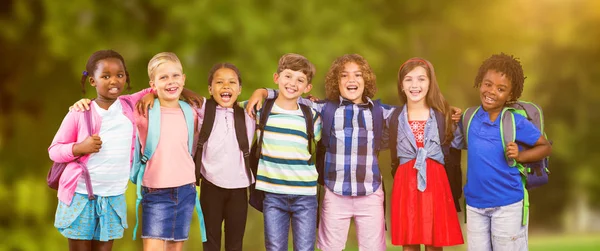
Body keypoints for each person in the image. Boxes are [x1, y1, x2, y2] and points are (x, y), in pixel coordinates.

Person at [49, 49, 151, 251]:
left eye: (119, 75)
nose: (114, 81)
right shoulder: (81, 111)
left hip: (113, 197)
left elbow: (160, 87)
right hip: (81, 196)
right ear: (92, 81)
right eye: (106, 76)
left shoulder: (129, 105)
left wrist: (189, 94)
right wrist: (79, 147)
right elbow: (54, 150)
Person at [460, 53, 552, 251]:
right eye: (488, 84)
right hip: (475, 206)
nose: (492, 91)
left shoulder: (514, 121)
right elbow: (453, 141)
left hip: (507, 205)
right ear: (480, 83)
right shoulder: (469, 117)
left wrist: (520, 155)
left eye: (501, 89)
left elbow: (545, 147)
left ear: (510, 95)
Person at [389, 57, 464, 251]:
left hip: (435, 180)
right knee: (409, 241)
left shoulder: (443, 115)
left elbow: (462, 140)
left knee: (433, 241)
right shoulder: (393, 117)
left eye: (421, 79)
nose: (415, 85)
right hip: (406, 181)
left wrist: (457, 116)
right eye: (408, 79)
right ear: (401, 85)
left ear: (430, 83)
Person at [255, 53, 322, 251]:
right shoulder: (261, 111)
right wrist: (259, 92)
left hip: (305, 196)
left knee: (305, 248)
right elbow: (230, 109)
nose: (293, 83)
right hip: (273, 195)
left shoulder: (312, 116)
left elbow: (322, 143)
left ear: (307, 88)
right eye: (288, 76)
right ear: (276, 78)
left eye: (300, 80)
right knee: (275, 247)